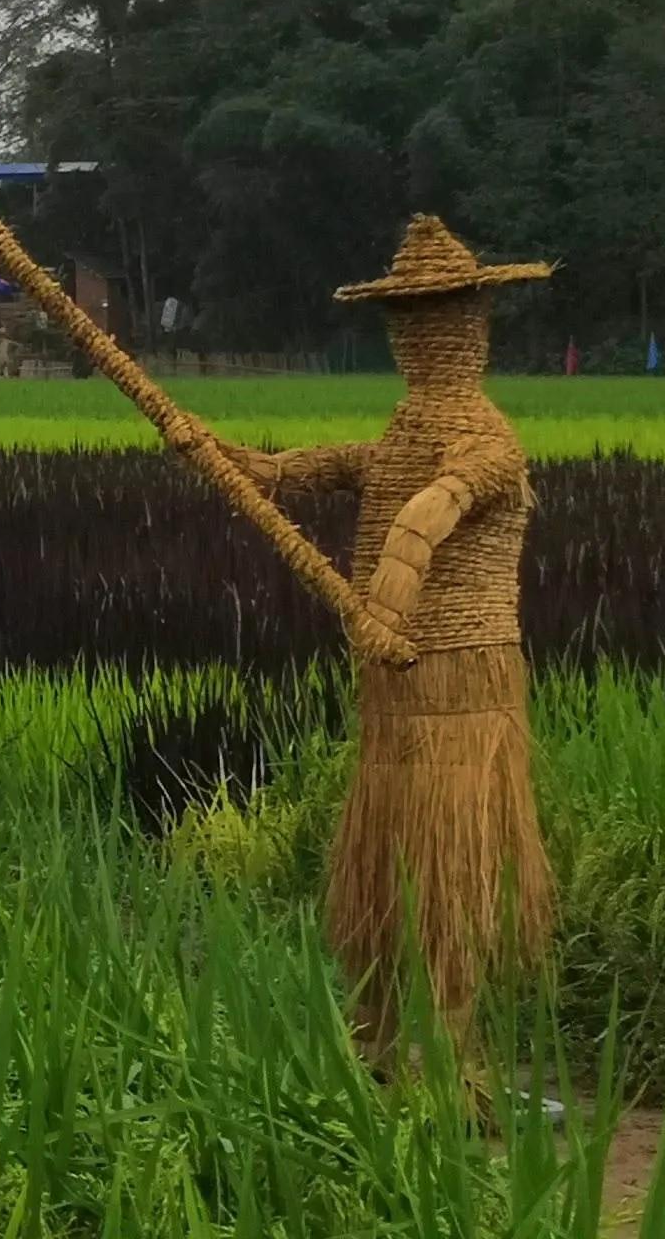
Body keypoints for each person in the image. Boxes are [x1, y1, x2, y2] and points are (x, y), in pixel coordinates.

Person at [224, 216, 553, 1052]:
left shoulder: (484, 437)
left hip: (456, 678)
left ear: (470, 323)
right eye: (406, 320)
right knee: (386, 854)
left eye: (435, 317)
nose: (419, 335)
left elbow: (430, 508)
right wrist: (243, 464)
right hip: (392, 686)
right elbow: (341, 466)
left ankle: (448, 1050)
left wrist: (387, 605)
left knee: (448, 864)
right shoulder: (409, 427)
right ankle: (374, 1034)